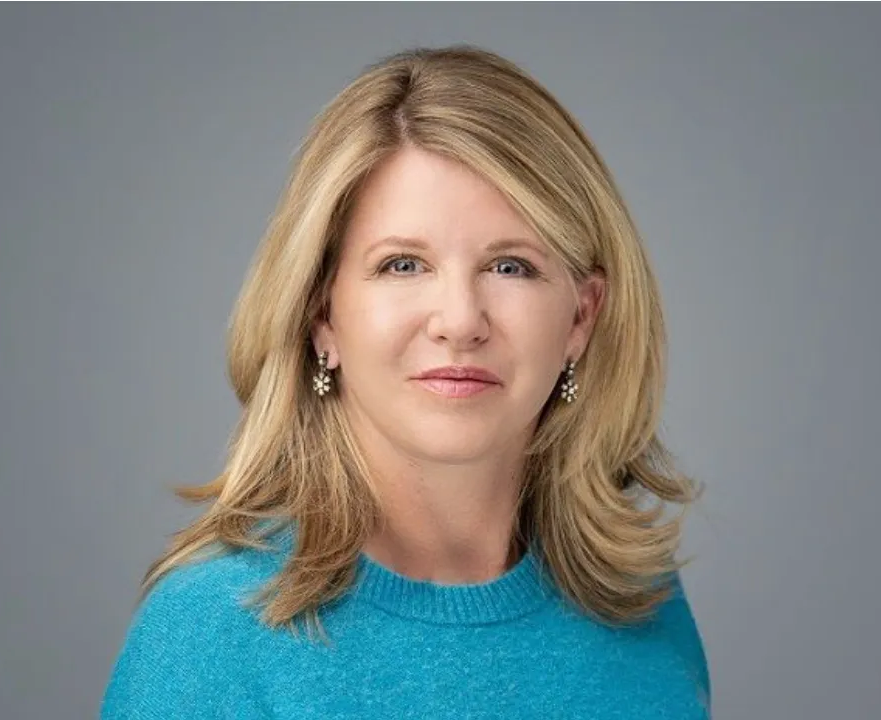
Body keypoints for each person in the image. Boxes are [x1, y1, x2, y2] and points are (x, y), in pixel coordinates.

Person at [102, 44, 710, 719]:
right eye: (402, 265)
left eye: (510, 267)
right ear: (321, 313)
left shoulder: (643, 612)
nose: (459, 321)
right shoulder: (207, 638)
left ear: (581, 317)